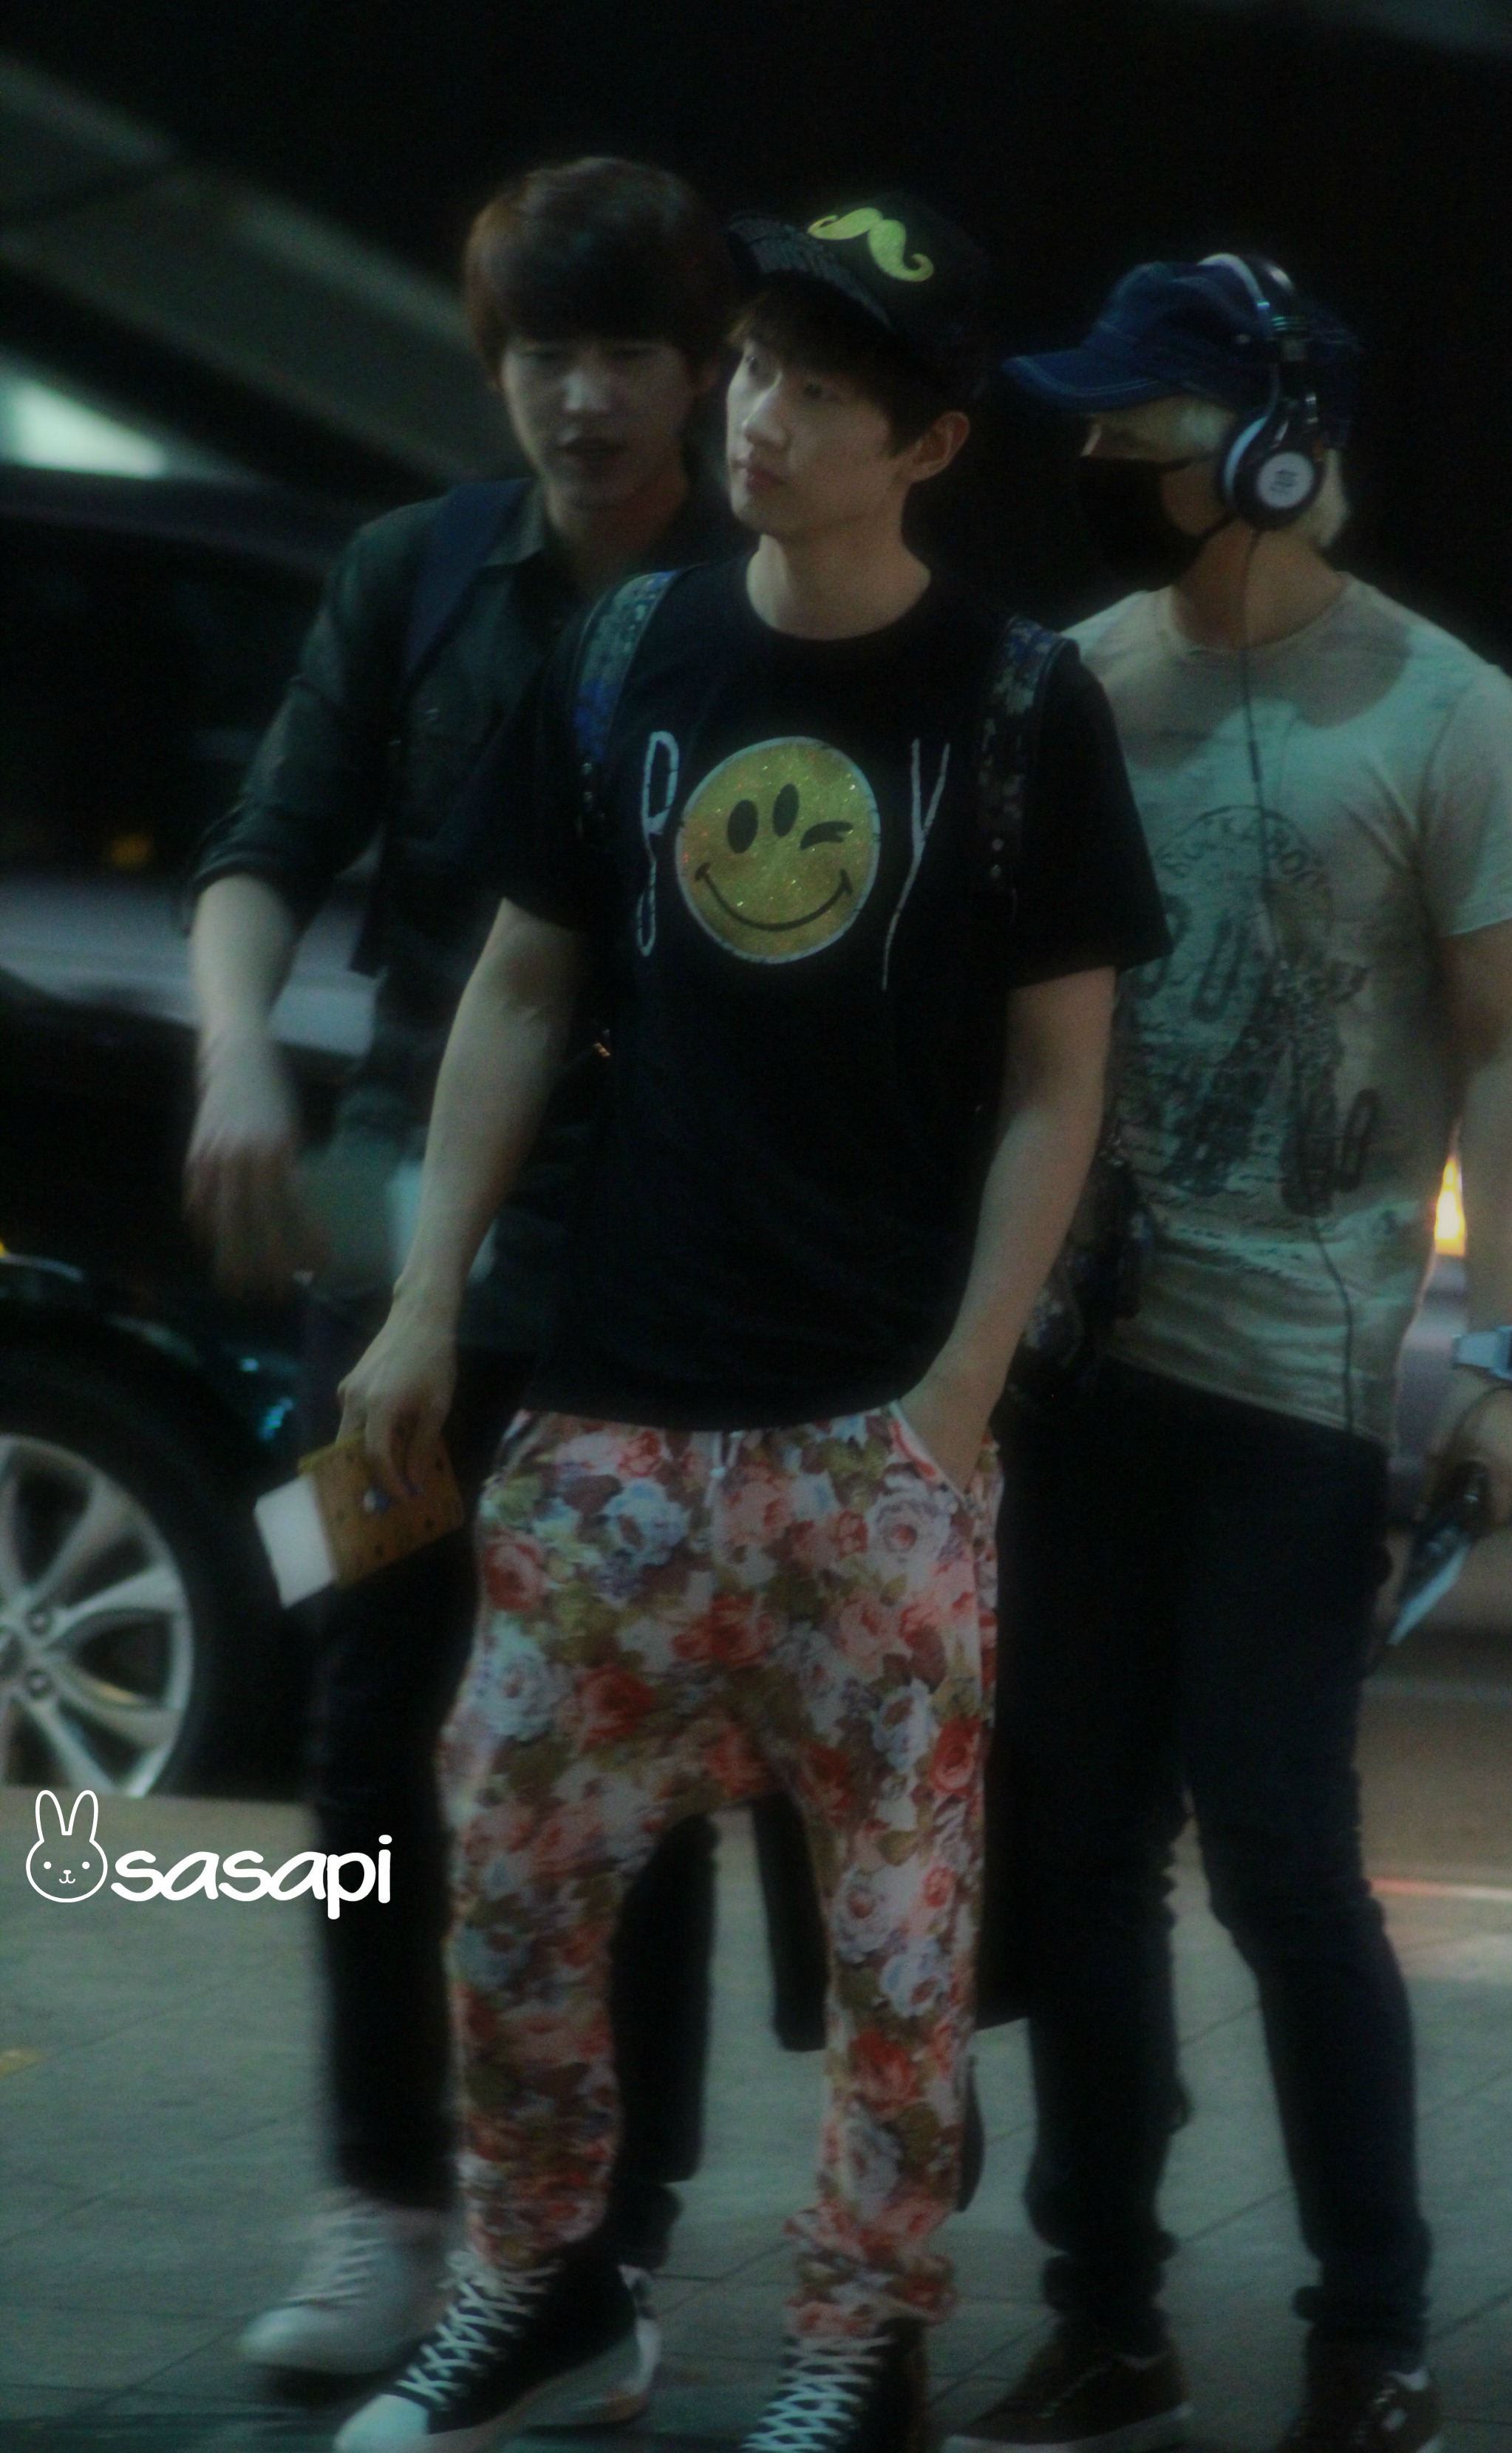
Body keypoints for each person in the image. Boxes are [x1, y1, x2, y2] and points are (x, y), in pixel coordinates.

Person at [330, 192, 1168, 2453]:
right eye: (763, 372)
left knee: (895, 1942)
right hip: (615, 1402)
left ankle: (857, 2345)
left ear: (931, 444)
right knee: (513, 1867)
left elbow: (1058, 1081)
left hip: (869, 1427)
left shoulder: (1017, 702)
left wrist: (956, 1394)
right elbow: (523, 986)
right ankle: (539, 2288)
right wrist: (425, 1301)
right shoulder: (633, 654)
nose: (763, 420)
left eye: (824, 391)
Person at [949, 256, 1512, 2453]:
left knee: (1286, 1865)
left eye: (1147, 424)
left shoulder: (1443, 710)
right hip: (1077, 1379)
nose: (1103, 456)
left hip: (1295, 1388)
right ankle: (1104, 2317)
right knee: (1074, 1856)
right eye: (1096, 423)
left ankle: (1369, 2335)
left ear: (1283, 450)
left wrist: (1496, 1351)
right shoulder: (1071, 685)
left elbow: (1508, 1053)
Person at [185, 157, 748, 2389]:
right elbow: (264, 850)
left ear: (702, 374)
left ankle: (604, 2238)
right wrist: (237, 1054)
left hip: (662, 1282)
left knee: (637, 1750)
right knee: (362, 1715)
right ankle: (381, 2205)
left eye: (623, 354)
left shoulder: (763, 603)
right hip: (393, 1263)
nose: (580, 398)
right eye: (543, 356)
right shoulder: (412, 574)